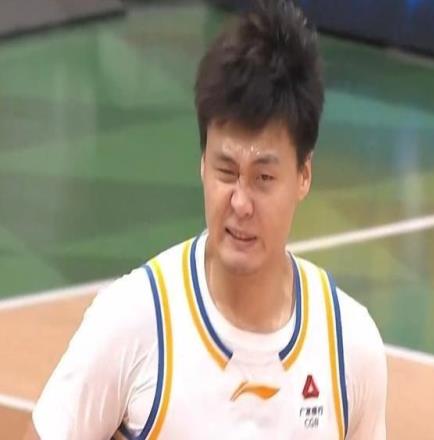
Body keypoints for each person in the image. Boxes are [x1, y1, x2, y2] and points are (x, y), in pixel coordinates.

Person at [26, 0, 387, 438]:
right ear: (202, 163)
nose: (240, 203)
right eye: (226, 171)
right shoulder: (134, 321)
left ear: (304, 175)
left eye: (264, 178)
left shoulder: (349, 346)